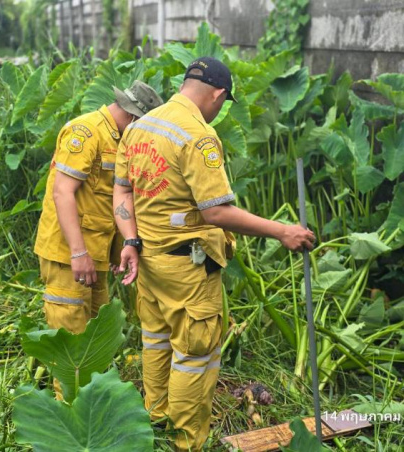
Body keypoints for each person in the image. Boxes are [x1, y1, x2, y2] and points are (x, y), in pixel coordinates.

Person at [112, 57, 315, 451]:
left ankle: (155, 421)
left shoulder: (139, 126)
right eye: (224, 103)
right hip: (187, 269)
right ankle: (186, 442)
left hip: (149, 262)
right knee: (194, 354)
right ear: (219, 94)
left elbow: (122, 192)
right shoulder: (197, 135)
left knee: (155, 341)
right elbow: (216, 211)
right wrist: (282, 231)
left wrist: (132, 242)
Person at [34, 81, 163, 340]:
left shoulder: (118, 139)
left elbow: (106, 200)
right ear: (131, 116)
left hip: (95, 256)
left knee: (94, 340)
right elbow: (63, 192)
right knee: (71, 343)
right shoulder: (86, 132)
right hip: (69, 255)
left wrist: (116, 251)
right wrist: (78, 252)